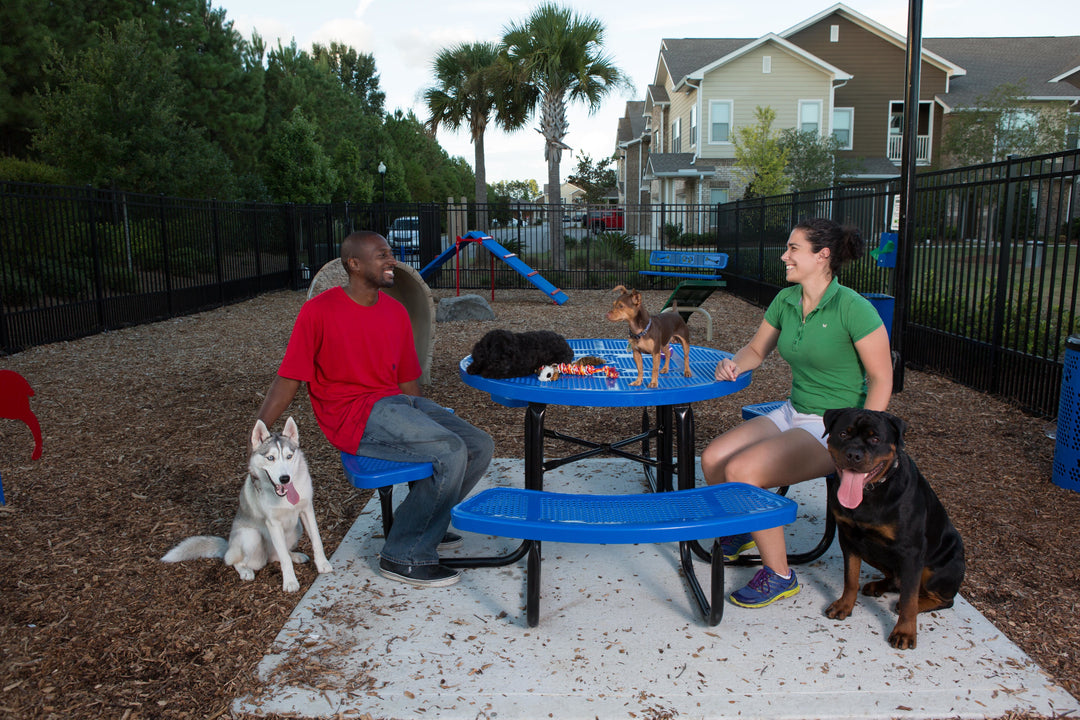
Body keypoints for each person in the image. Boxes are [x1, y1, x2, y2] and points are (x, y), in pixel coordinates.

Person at [258, 230, 494, 588]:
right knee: (450, 450)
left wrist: (419, 418)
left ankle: (419, 523)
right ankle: (404, 553)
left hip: (395, 404)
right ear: (354, 264)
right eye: (382, 255)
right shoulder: (318, 312)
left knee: (478, 445)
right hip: (353, 415)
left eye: (391, 254)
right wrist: (259, 430)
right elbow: (289, 378)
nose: (392, 261)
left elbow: (407, 380)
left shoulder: (395, 312)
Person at [701, 217, 893, 608]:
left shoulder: (854, 308)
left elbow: (881, 378)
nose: (784, 256)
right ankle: (744, 527)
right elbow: (756, 350)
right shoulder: (786, 301)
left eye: (793, 249)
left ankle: (780, 575)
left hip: (834, 428)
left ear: (822, 256)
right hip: (793, 411)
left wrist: (861, 441)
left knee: (743, 471)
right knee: (714, 458)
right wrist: (734, 364)